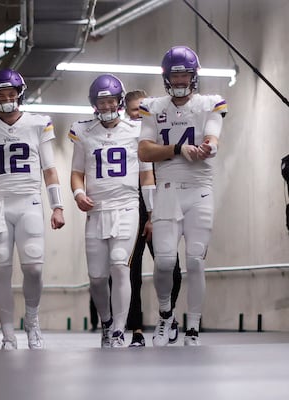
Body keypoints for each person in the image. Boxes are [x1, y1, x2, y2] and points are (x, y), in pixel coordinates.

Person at [0, 68, 66, 350]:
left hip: (29, 201)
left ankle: (32, 321)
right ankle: (8, 335)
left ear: (20, 95)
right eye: (2, 95)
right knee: (1, 271)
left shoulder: (38, 123)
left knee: (33, 268)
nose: (7, 99)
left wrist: (57, 206)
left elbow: (49, 169)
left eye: (11, 94)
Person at [138, 46, 227, 346]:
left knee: (196, 261)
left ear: (194, 76)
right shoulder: (154, 107)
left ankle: (193, 326)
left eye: (184, 74)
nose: (179, 80)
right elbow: (144, 149)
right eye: (174, 75)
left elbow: (213, 134)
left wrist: (209, 147)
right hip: (167, 191)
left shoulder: (208, 104)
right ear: (166, 77)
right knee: (164, 261)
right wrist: (178, 149)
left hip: (199, 189)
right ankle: (166, 314)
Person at [69, 74, 155, 348]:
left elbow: (146, 176)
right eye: (101, 102)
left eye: (110, 101)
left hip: (127, 206)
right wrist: (78, 194)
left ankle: (119, 329)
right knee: (96, 277)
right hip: (97, 209)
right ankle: (106, 321)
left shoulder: (136, 130)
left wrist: (151, 212)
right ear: (94, 104)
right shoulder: (84, 131)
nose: (106, 106)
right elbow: (76, 173)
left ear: (119, 101)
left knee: (120, 265)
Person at [124, 90, 183, 348]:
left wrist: (154, 214)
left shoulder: (158, 136)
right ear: (127, 112)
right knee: (131, 272)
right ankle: (136, 329)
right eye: (134, 110)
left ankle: (166, 316)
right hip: (130, 204)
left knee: (171, 268)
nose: (139, 114)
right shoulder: (123, 136)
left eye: (142, 109)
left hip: (160, 201)